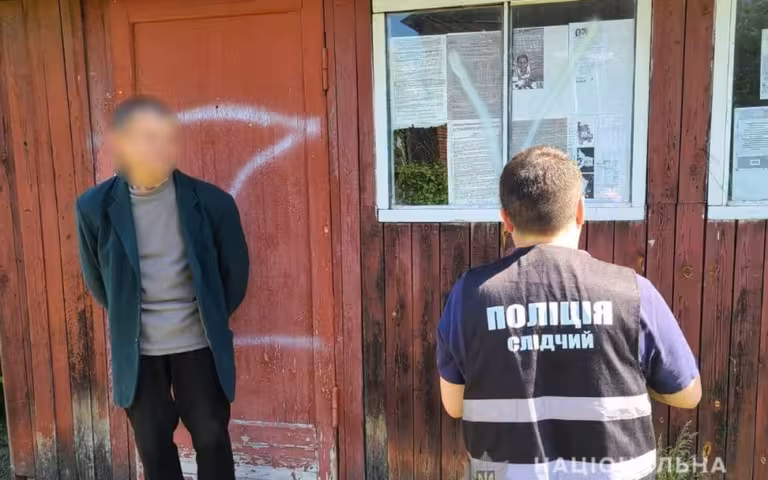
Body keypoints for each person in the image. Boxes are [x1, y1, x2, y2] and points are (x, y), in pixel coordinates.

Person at [437, 146, 700, 479]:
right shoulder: (633, 292)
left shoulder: (469, 296)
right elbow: (688, 394)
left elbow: (454, 405)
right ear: (579, 211)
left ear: (506, 219)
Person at [76, 96, 249, 480]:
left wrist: (207, 316)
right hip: (138, 349)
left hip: (198, 344)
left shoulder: (213, 203)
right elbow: (99, 282)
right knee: (153, 445)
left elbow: (234, 277)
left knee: (211, 438)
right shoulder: (93, 208)